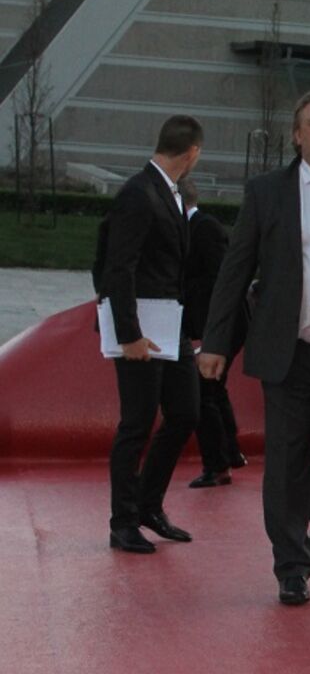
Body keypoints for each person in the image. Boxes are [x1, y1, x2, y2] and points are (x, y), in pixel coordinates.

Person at [198, 90, 310, 606]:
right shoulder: (268, 192)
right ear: (297, 135)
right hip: (290, 354)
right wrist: (216, 342)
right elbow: (235, 271)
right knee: (286, 464)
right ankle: (291, 565)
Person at [99, 114, 205, 554]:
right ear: (193, 152)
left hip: (170, 327)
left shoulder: (168, 192)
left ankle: (147, 506)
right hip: (140, 331)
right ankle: (122, 522)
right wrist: (130, 335)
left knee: (185, 413)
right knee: (137, 423)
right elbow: (116, 267)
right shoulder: (138, 194)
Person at [179, 177, 247, 489]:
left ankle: (218, 465)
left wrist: (211, 336)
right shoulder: (197, 228)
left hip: (221, 326)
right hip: (215, 326)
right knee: (213, 389)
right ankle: (229, 454)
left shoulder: (205, 229)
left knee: (203, 391)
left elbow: (224, 282)